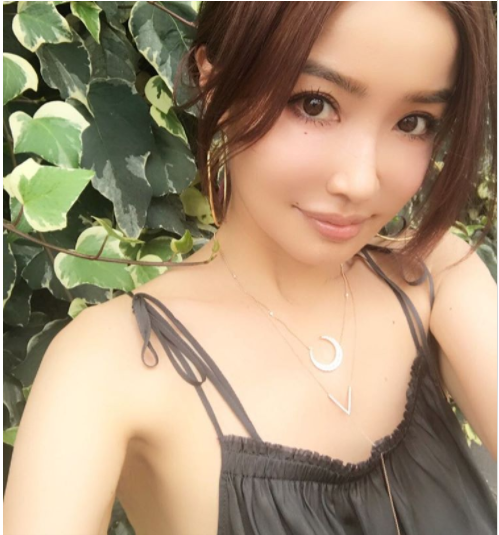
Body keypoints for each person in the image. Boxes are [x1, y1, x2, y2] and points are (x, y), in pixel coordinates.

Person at [4, 2, 497, 534]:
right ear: (213, 81)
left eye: (412, 122)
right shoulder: (112, 365)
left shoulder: (436, 277)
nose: (359, 181)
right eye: (313, 104)